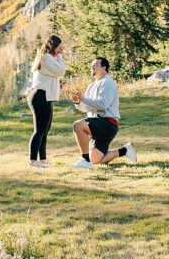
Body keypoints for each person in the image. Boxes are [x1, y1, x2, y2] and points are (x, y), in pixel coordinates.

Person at [70, 56, 137, 168]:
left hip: (107, 123)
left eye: (96, 65)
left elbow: (103, 105)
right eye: (92, 65)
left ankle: (84, 160)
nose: (93, 67)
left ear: (104, 68)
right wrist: (78, 102)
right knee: (95, 160)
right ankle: (124, 151)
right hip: (97, 124)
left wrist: (83, 99)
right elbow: (86, 108)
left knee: (78, 125)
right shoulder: (92, 85)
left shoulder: (108, 82)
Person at [26, 34, 65, 167]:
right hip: (40, 96)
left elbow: (54, 74)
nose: (61, 50)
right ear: (54, 46)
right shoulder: (47, 57)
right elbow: (60, 70)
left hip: (43, 96)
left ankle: (42, 160)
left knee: (44, 130)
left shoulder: (46, 58)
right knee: (39, 131)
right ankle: (32, 161)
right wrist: (60, 57)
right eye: (59, 47)